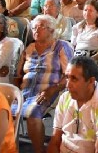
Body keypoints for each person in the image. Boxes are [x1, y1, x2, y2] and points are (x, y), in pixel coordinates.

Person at [14, 14, 73, 153]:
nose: (36, 30)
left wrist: (53, 89)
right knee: (4, 112)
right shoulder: (29, 48)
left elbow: (70, 75)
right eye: (34, 27)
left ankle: (39, 151)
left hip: (51, 91)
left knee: (32, 113)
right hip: (25, 92)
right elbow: (18, 74)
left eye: (41, 27)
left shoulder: (61, 46)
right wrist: (14, 91)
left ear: (51, 30)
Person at [47, 57, 98, 153]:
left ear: (91, 81)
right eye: (67, 77)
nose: (68, 85)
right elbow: (55, 140)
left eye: (74, 79)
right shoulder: (65, 98)